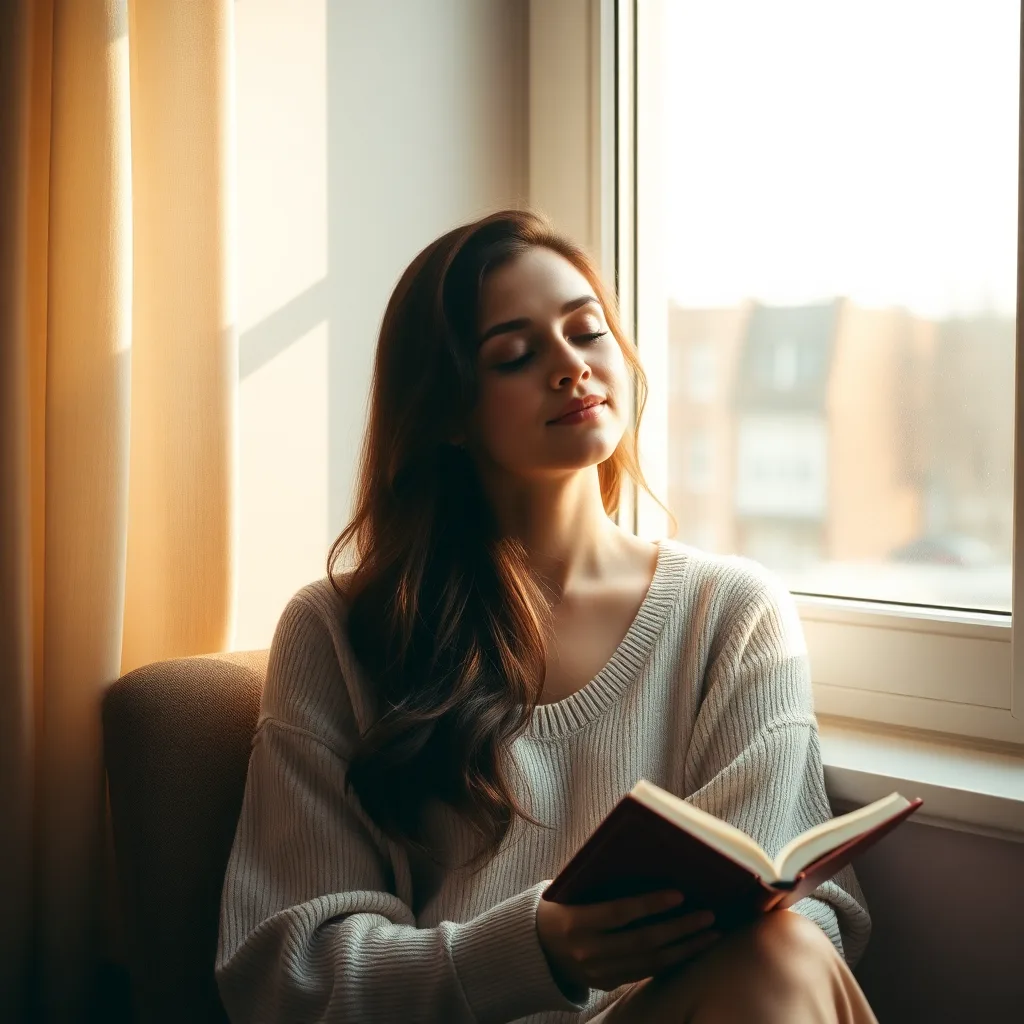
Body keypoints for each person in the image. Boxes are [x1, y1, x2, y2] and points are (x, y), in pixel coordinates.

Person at [215, 209, 880, 1023]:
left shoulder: (729, 613)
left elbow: (802, 919)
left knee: (782, 946)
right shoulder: (338, 632)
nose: (572, 367)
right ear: (448, 412)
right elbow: (288, 971)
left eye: (588, 330)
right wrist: (537, 948)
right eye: (516, 355)